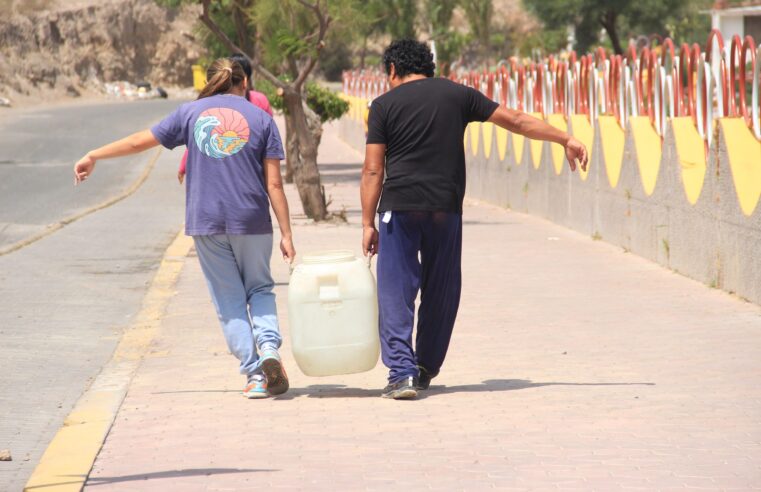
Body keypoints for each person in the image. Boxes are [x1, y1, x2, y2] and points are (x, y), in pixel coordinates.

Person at [360, 40, 588, 400]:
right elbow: (514, 120)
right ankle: (423, 367)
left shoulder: (382, 106)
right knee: (442, 288)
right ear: (429, 66)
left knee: (395, 292)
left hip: (400, 207)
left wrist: (367, 223)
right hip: (444, 207)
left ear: (392, 70)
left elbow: (373, 170)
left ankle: (401, 373)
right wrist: (564, 138)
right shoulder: (457, 94)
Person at [73, 58, 295, 399]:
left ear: (209, 82)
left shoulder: (190, 113)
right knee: (260, 288)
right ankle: (269, 349)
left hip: (206, 222)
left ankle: (254, 376)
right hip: (252, 219)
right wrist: (287, 233)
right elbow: (275, 185)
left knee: (230, 300)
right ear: (243, 81)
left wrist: (94, 154)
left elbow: (137, 142)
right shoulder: (262, 118)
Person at [177, 53, 273, 184]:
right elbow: (270, 140)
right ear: (245, 80)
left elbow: (200, 136)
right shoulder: (260, 101)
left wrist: (184, 165)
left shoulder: (206, 109)